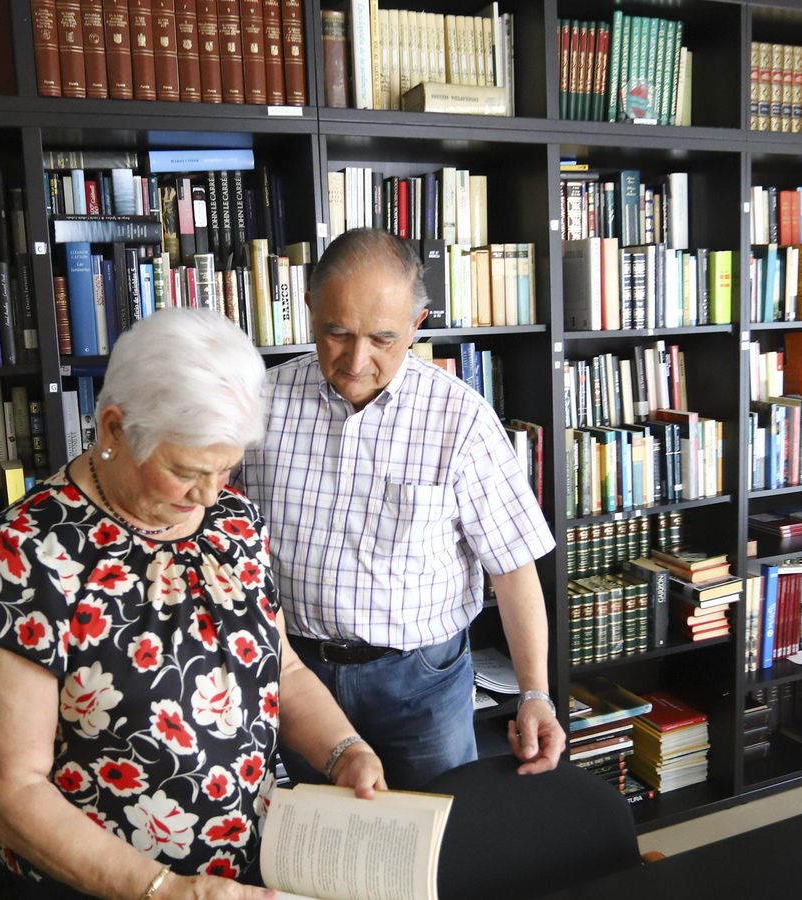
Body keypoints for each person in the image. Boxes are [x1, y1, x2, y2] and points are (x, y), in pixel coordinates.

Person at [0, 308, 385, 900]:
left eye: (226, 468)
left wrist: (344, 752)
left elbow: (282, 668)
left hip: (246, 876)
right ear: (114, 429)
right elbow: (8, 794)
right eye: (186, 471)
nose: (209, 494)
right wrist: (166, 889)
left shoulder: (233, 522)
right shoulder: (22, 559)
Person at [237, 228, 565, 791]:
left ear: (417, 325)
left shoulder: (460, 418)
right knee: (306, 849)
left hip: (421, 685)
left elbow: (512, 569)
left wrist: (535, 693)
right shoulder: (258, 404)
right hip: (291, 672)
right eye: (336, 332)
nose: (356, 360)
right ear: (310, 308)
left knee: (428, 850)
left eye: (383, 339)